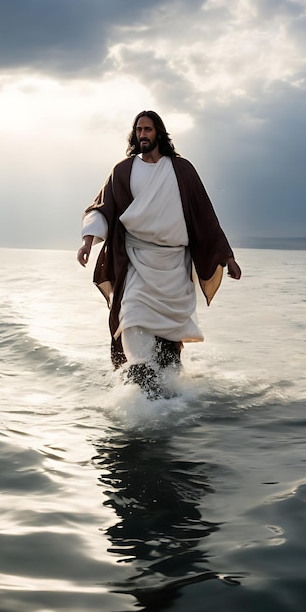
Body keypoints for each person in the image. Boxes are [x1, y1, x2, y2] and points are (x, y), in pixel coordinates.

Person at [77, 110, 241, 398]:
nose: (142, 134)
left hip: (175, 266)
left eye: (148, 129)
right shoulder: (123, 171)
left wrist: (227, 258)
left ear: (159, 133)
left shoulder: (181, 169)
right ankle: (138, 381)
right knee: (132, 316)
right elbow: (102, 208)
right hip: (137, 262)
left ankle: (169, 393)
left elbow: (205, 216)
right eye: (138, 129)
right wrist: (88, 243)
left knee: (168, 344)